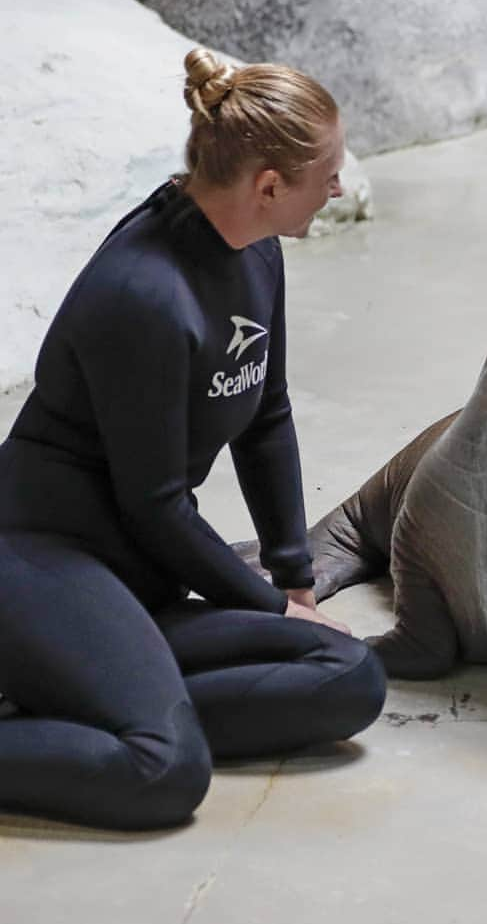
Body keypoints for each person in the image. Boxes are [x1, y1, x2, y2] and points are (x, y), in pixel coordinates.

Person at [0, 49, 386, 829]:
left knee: (349, 674)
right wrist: (273, 614)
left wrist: (295, 582)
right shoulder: (143, 294)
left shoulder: (255, 251)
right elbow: (157, 508)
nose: (338, 186)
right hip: (41, 563)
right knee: (163, 770)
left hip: (138, 577)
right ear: (268, 186)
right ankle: (96, 701)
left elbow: (266, 415)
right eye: (329, 173)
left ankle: (80, 698)